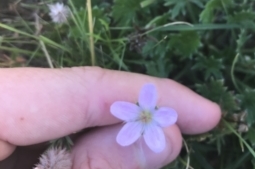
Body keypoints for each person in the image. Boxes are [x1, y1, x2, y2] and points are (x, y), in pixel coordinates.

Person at [0, 66, 221, 169]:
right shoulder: (137, 111)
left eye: (146, 114)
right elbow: (122, 128)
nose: (144, 116)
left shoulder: (157, 110)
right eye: (143, 114)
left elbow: (168, 114)